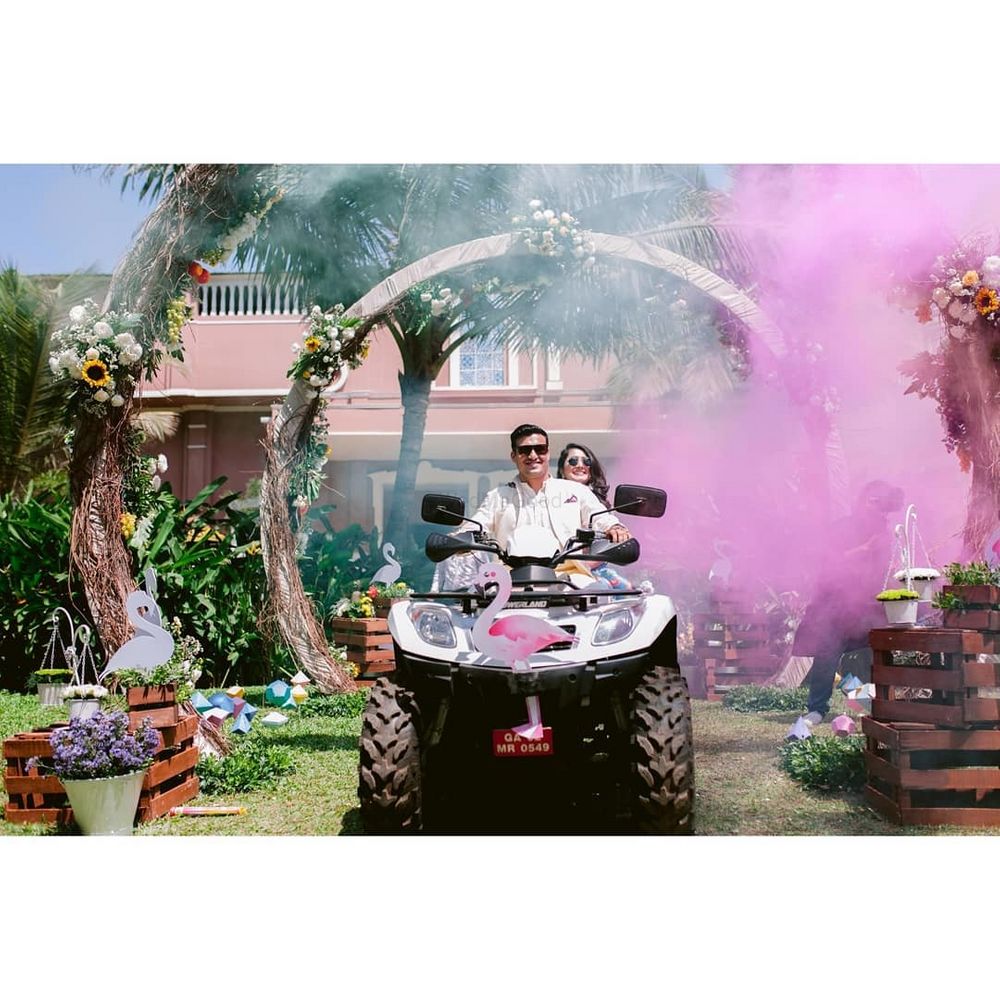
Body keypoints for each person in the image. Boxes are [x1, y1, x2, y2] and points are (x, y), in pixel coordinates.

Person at [432, 424, 629, 590]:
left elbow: (599, 517)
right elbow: (477, 525)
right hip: (508, 584)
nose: (533, 455)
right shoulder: (498, 496)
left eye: (540, 449)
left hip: (572, 581)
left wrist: (615, 528)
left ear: (547, 453)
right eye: (525, 450)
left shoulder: (575, 491)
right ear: (514, 456)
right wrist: (458, 538)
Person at [792, 479, 903, 726]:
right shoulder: (842, 528)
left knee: (878, 652)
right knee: (828, 654)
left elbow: (884, 573)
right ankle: (817, 709)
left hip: (868, 608)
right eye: (875, 503)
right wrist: (863, 549)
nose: (879, 511)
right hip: (836, 608)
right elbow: (827, 563)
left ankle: (872, 703)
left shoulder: (884, 533)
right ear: (864, 502)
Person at [556, 441, 631, 589]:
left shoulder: (600, 506)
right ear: (562, 470)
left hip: (593, 574)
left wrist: (618, 531)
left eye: (586, 461)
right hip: (555, 573)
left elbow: (606, 526)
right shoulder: (550, 500)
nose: (580, 465)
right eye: (573, 461)